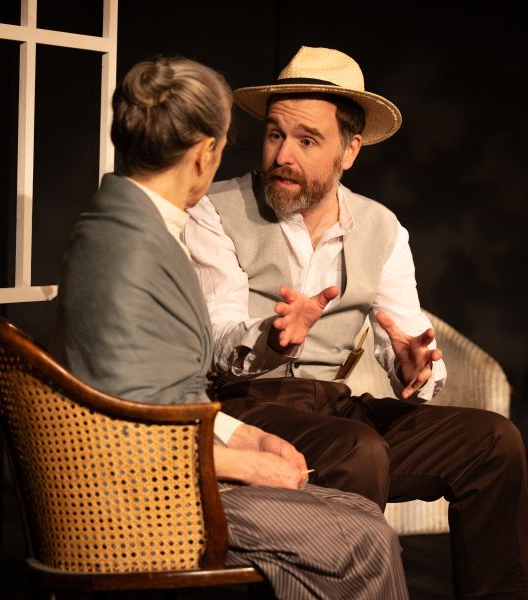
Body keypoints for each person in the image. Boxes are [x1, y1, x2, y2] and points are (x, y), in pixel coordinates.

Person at [184, 46, 528, 599]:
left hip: (332, 406)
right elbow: (218, 340)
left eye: (307, 141)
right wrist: (274, 340)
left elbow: (407, 337)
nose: (283, 155)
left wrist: (414, 368)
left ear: (350, 150)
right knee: (357, 448)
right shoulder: (216, 209)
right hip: (243, 407)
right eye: (275, 134)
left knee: (494, 441)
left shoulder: (382, 227)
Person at [53, 55, 409, 600]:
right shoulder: (131, 250)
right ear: (204, 153)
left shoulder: (128, 225)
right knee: (364, 538)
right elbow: (129, 429)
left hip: (171, 466)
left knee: (355, 517)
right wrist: (245, 463)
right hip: (145, 498)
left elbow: (161, 397)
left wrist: (248, 437)